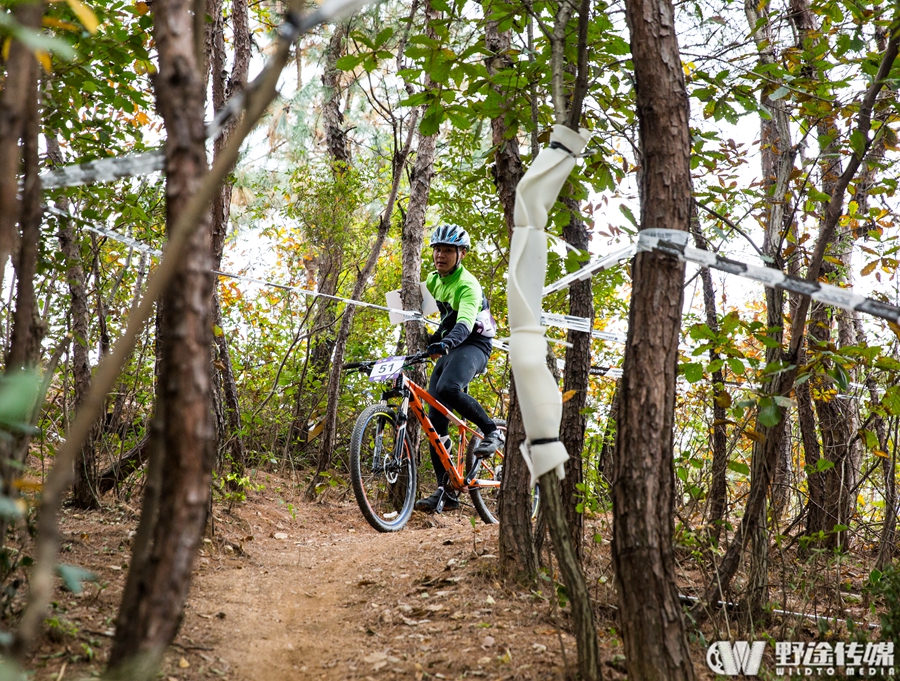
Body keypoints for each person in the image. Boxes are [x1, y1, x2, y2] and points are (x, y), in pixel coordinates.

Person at [414, 223, 502, 514]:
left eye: (448, 250)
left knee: (449, 388)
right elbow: (416, 307)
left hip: (475, 343)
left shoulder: (468, 284)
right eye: (437, 249)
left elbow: (464, 322)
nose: (441, 255)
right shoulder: (433, 280)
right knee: (434, 421)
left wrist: (446, 341)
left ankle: (491, 431)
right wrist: (430, 338)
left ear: (461, 253)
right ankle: (446, 492)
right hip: (451, 343)